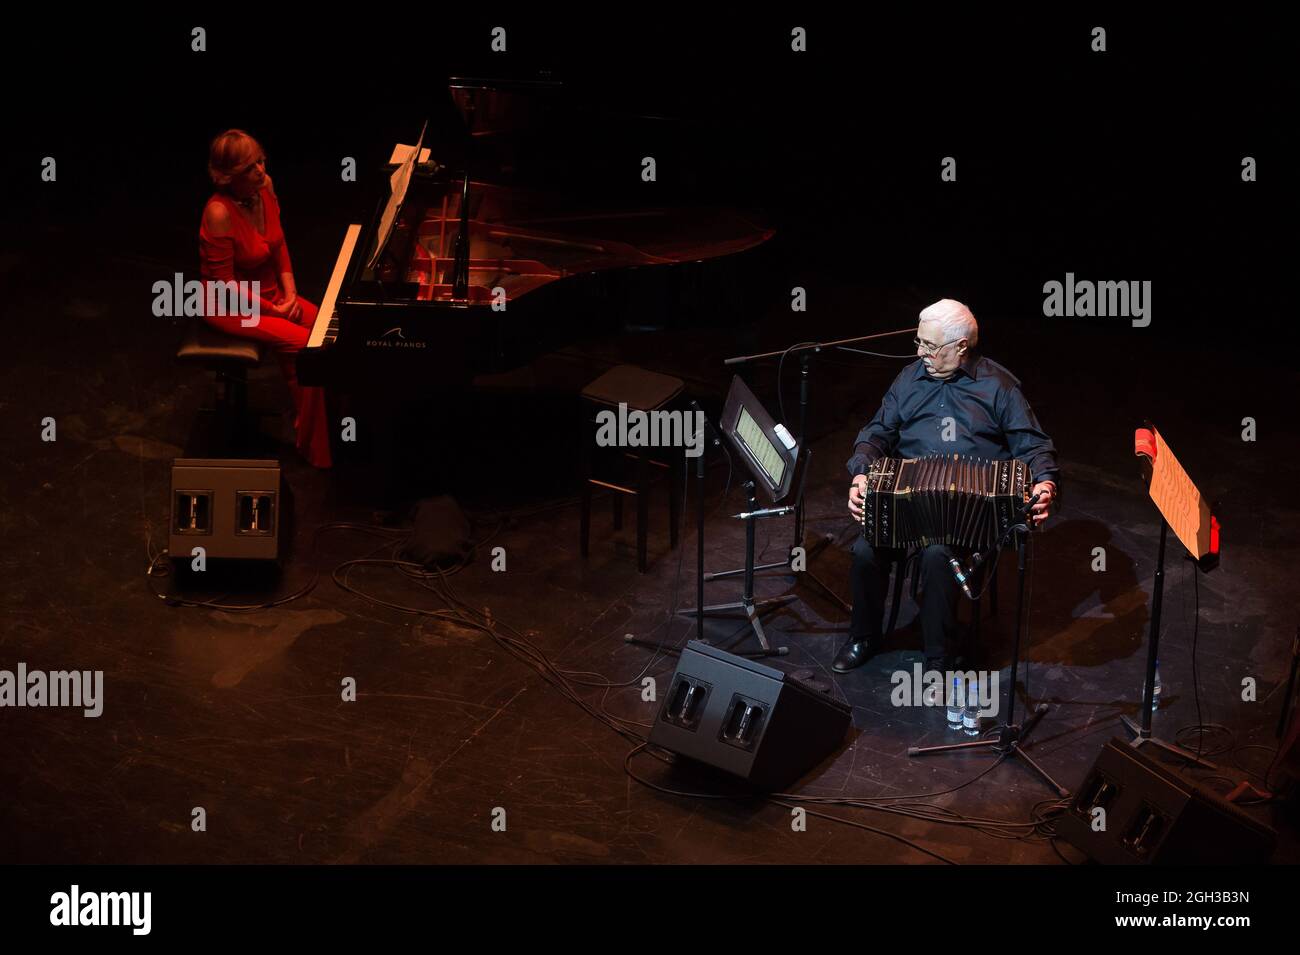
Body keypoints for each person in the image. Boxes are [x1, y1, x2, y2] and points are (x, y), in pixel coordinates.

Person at [836, 299, 1059, 673]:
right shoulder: (909, 378)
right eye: (919, 342)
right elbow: (875, 433)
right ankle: (864, 637)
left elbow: (1034, 446)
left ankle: (938, 655)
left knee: (938, 554)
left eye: (930, 345)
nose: (921, 352)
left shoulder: (998, 387)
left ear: (961, 347)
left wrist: (1046, 484)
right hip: (907, 500)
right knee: (863, 551)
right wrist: (861, 473)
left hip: (967, 516)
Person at [198, 129, 332, 468]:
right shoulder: (219, 212)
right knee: (306, 346)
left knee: (328, 330)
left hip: (272, 293)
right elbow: (224, 283)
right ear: (228, 176)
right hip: (230, 306)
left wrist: (290, 294)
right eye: (250, 167)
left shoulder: (265, 187)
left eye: (261, 160)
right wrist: (276, 310)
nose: (260, 170)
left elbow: (279, 245)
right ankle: (314, 445)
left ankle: (315, 423)